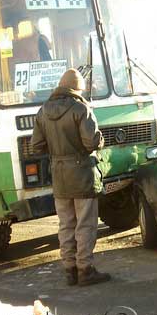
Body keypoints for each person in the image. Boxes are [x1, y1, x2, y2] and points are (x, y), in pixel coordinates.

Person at [31, 68, 110, 287]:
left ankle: (69, 270)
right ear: (76, 89)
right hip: (83, 174)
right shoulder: (80, 109)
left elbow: (36, 147)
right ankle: (85, 269)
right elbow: (92, 143)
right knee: (85, 224)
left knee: (66, 224)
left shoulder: (43, 111)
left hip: (59, 176)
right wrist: (100, 139)